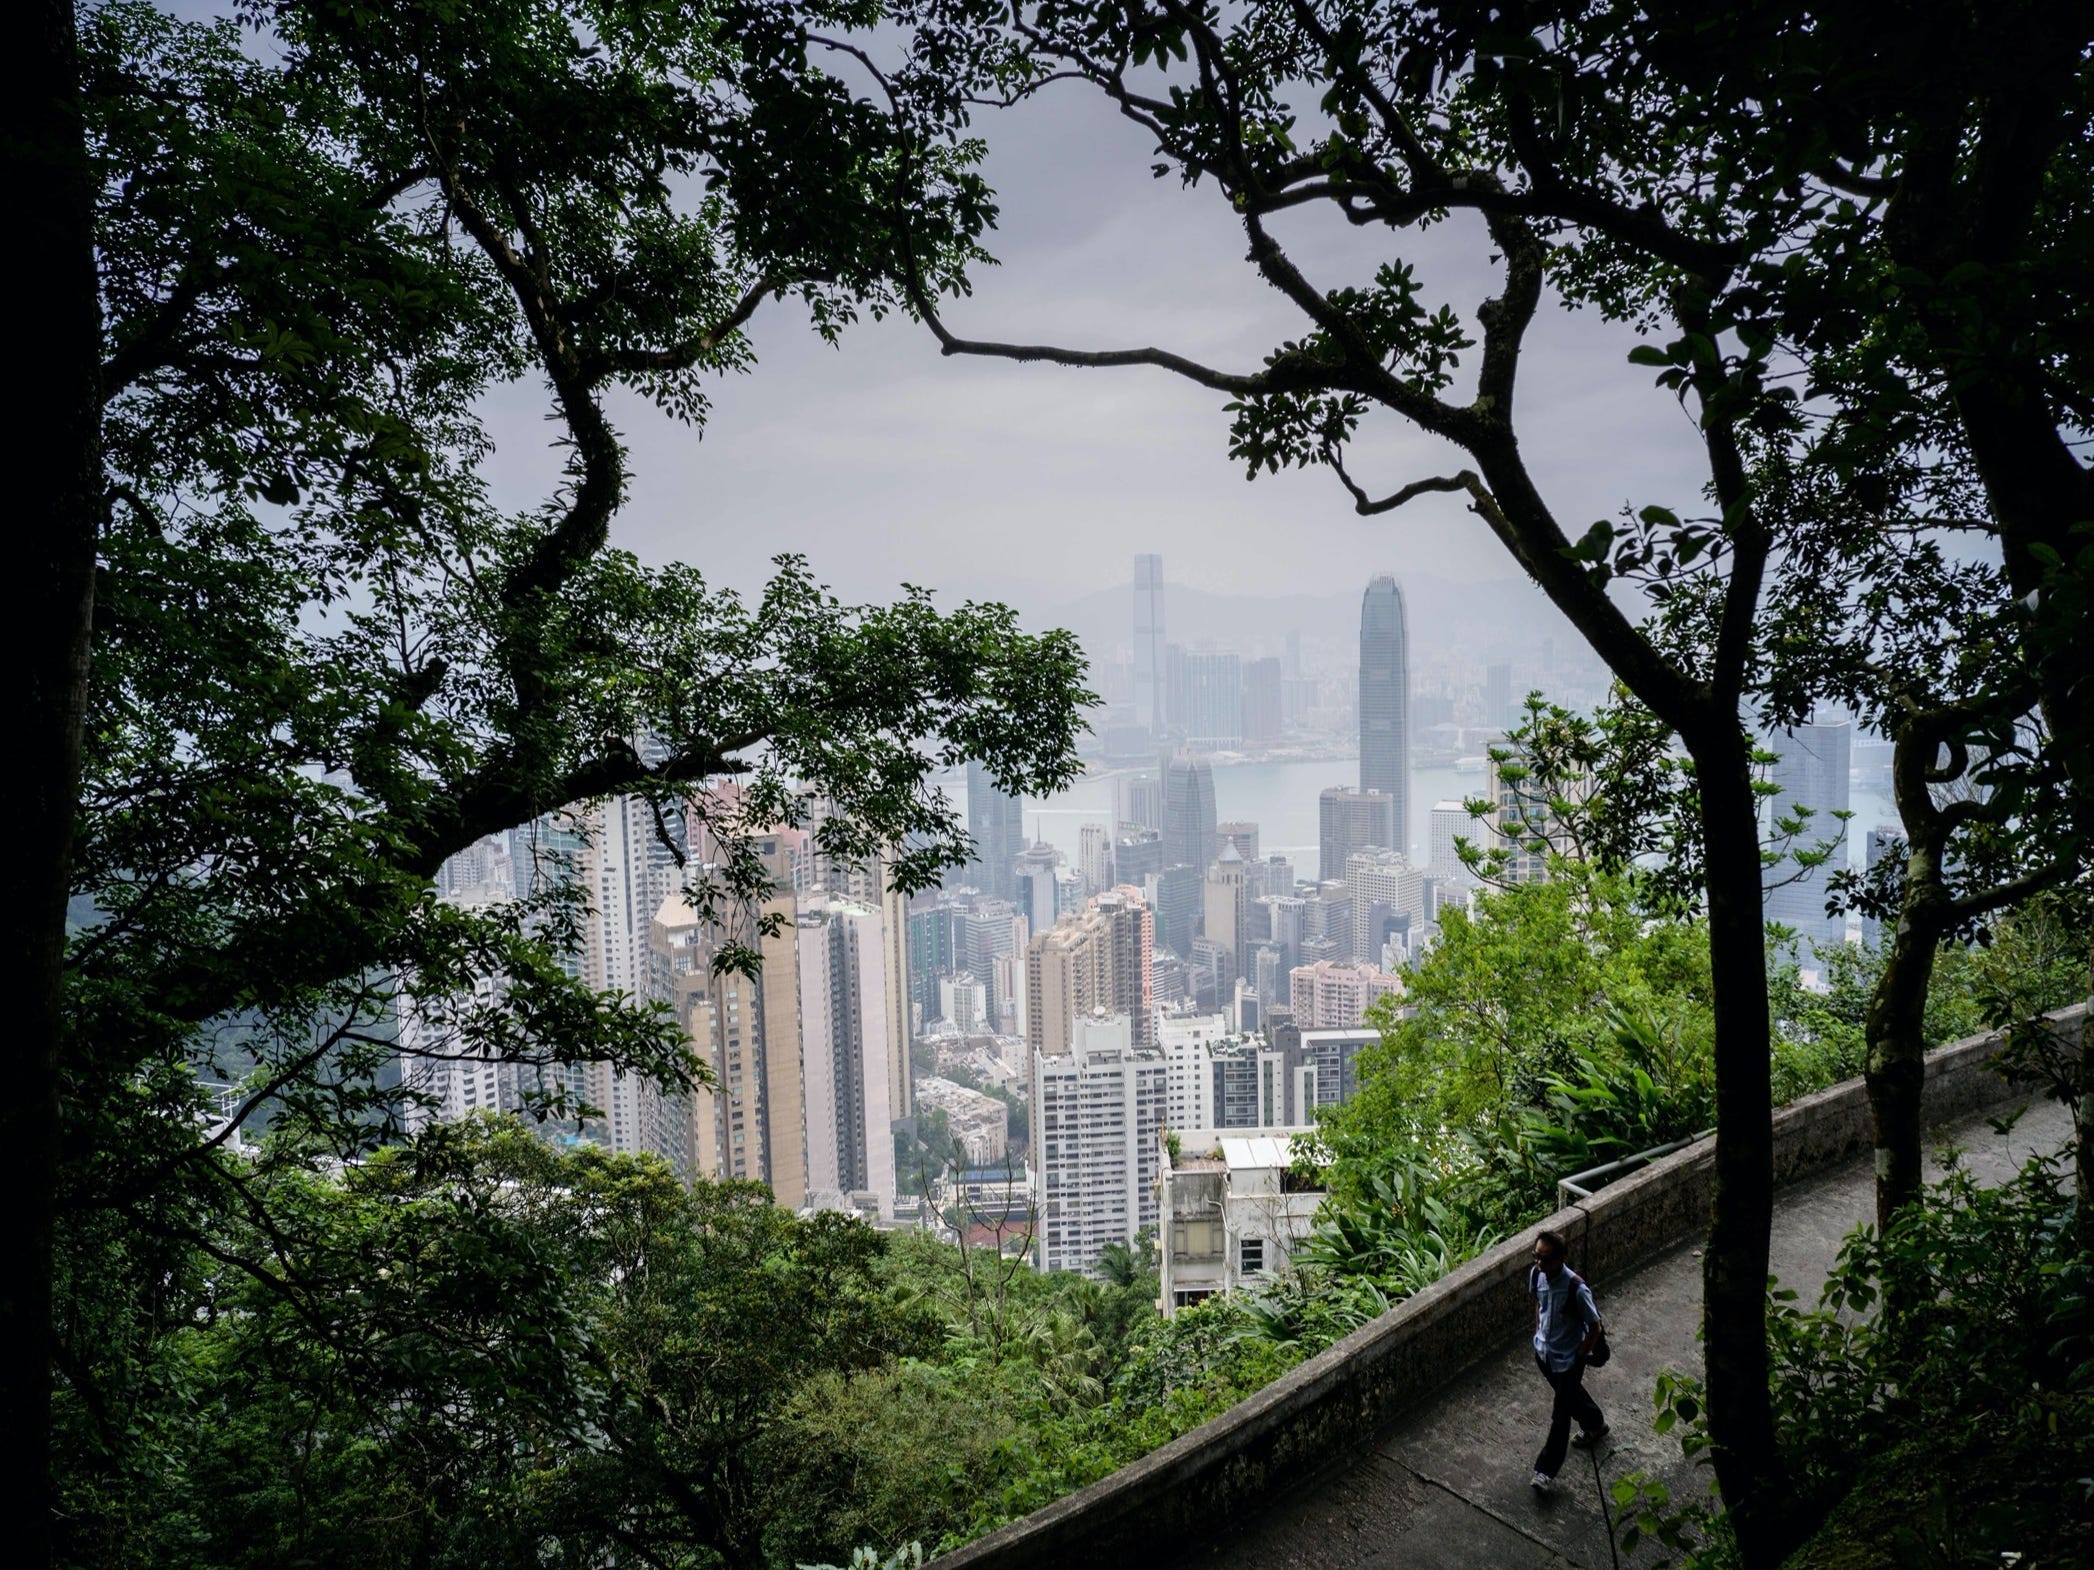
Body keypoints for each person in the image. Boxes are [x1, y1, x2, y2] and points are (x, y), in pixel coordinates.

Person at [1528, 1228, 1607, 1492]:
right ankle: (1595, 1423)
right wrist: (1539, 1332)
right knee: (1570, 1396)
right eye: (1536, 1256)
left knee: (1560, 1414)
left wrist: (1579, 1357)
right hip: (1545, 1354)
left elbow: (1594, 1326)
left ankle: (1544, 1471)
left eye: (1546, 1258)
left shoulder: (1576, 1288)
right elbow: (1538, 1303)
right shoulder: (1537, 1274)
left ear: (1561, 1258)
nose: (1540, 1263)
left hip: (1568, 1359)